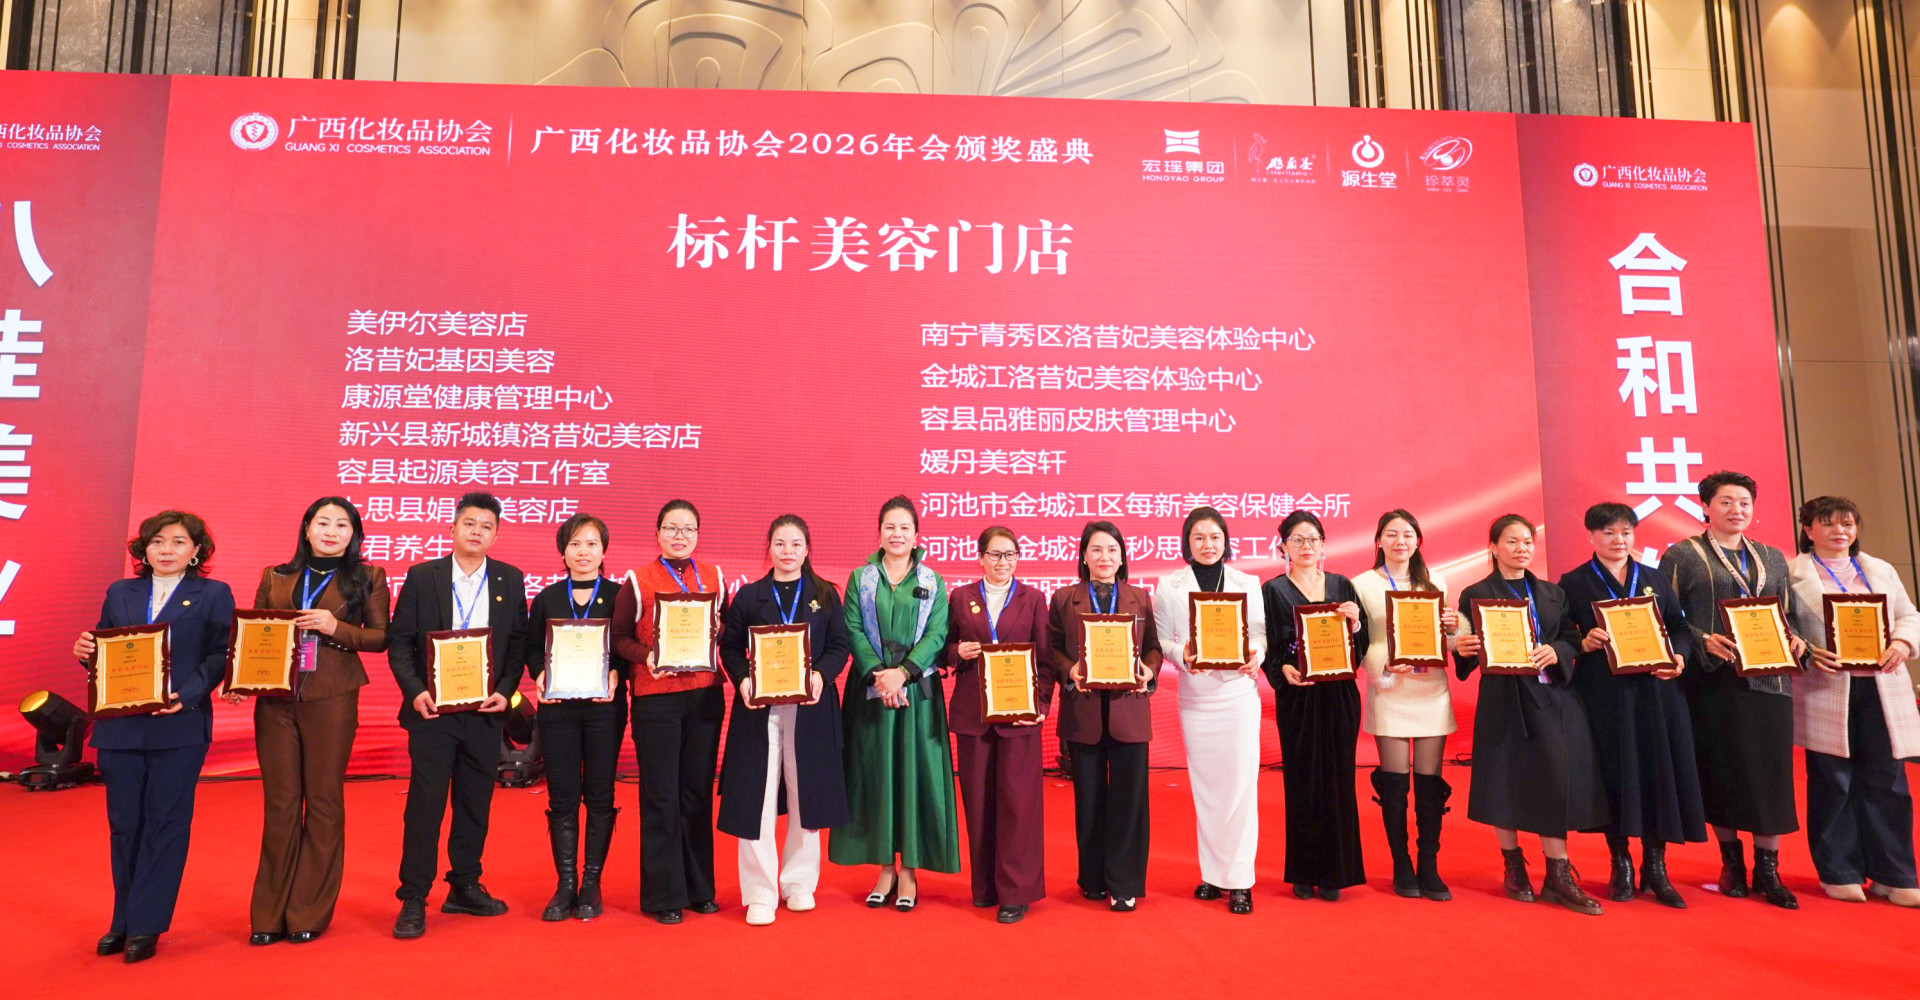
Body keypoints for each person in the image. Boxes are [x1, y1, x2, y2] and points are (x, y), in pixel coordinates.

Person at [71, 511, 235, 963]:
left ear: (196, 551)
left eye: (179, 541)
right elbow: (109, 651)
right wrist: (86, 652)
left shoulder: (213, 593)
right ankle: (121, 920)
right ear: (143, 549)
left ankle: (147, 923)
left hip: (179, 725)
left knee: (166, 823)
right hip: (120, 727)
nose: (166, 549)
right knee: (125, 826)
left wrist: (191, 694)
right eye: (157, 541)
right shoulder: (120, 591)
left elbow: (220, 652)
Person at [230, 498, 389, 945]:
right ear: (306, 528)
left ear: (353, 534)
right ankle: (268, 913)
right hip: (275, 699)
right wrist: (240, 679)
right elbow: (255, 632)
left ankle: (308, 911)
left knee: (322, 799)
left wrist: (334, 628)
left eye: (342, 525)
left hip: (332, 694)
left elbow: (381, 637)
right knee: (280, 803)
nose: (331, 531)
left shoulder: (368, 577)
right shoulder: (275, 576)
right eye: (323, 523)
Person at [1660, 470, 1807, 909]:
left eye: (1744, 502)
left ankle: (1769, 869)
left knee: (1771, 774)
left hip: (1770, 679)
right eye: (1725, 502)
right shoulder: (1683, 555)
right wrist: (1703, 639)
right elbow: (1665, 618)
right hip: (1713, 681)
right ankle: (1732, 864)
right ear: (1706, 507)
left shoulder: (1773, 557)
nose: (1736, 510)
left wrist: (1797, 639)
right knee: (1721, 770)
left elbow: (1787, 615)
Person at [1452, 514, 1609, 915]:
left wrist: (1558, 650)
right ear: (1493, 547)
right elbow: (1465, 645)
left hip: (1552, 696)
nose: (1521, 549)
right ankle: (1514, 865)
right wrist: (1462, 648)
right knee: (1502, 780)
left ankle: (1558, 874)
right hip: (1504, 698)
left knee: (1554, 780)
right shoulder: (1475, 593)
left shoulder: (1552, 593)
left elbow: (1571, 638)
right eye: (1512, 541)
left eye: (1527, 542)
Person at [387, 492, 528, 938]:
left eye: (486, 526)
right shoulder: (422, 576)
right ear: (452, 529)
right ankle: (414, 896)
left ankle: (464, 885)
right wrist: (415, 692)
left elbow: (517, 645)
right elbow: (400, 642)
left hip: (484, 712)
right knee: (425, 805)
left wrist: (506, 691)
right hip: (432, 712)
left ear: (495, 535)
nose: (476, 532)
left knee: (474, 802)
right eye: (469, 523)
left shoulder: (510, 579)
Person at [1557, 503, 1704, 908]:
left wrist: (1680, 657)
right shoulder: (1574, 582)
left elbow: (1679, 627)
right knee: (1614, 772)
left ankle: (1656, 866)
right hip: (1604, 696)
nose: (1618, 540)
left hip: (1657, 692)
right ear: (1590, 536)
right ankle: (1619, 861)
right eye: (1608, 532)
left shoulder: (1654, 578)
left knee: (1658, 771)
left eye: (1625, 532)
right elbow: (1561, 634)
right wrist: (1582, 642)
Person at [718, 515, 851, 926]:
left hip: (810, 710)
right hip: (759, 713)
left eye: (796, 544)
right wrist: (742, 680)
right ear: (769, 548)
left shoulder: (825, 594)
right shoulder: (749, 595)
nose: (788, 551)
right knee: (755, 800)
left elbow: (840, 645)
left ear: (807, 549)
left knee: (805, 796)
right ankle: (760, 892)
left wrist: (820, 675)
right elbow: (731, 648)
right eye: (780, 543)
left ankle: (799, 884)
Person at [1788, 495, 1920, 906]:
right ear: (1808, 529)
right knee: (1832, 781)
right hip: (1826, 688)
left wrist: (1903, 642)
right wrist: (1807, 648)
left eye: (1847, 523)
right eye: (1828, 523)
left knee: (1889, 782)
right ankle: (1839, 870)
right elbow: (1783, 626)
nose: (1839, 531)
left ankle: (1894, 874)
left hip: (1883, 687)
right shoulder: (1791, 573)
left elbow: (1910, 616)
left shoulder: (1879, 569)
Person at [832, 495, 959, 909]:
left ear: (917, 534)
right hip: (871, 694)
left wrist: (902, 674)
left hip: (917, 695)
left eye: (905, 527)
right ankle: (885, 867)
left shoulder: (933, 581)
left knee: (914, 776)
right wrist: (880, 675)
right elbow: (853, 630)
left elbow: (937, 635)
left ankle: (909, 871)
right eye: (890, 527)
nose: (897, 534)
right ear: (879, 533)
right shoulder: (861, 578)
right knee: (876, 776)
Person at [611, 499, 727, 923]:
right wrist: (647, 656)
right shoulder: (636, 580)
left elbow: (725, 631)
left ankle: (699, 889)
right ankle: (664, 895)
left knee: (696, 794)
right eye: (671, 528)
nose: (680, 536)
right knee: (661, 796)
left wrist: (718, 631)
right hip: (656, 698)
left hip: (704, 698)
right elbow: (618, 637)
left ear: (698, 534)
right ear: (657, 533)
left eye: (688, 529)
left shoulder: (715, 577)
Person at [1152, 507, 1265, 914]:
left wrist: (1256, 655)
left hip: (1237, 695)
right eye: (1198, 537)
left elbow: (1260, 635)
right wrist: (1181, 655)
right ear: (1187, 542)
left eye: (1215, 536)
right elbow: (1161, 639)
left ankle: (1240, 880)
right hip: (1196, 697)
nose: (1207, 544)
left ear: (1225, 540)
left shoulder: (1247, 582)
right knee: (1207, 789)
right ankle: (1213, 875)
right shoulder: (1169, 585)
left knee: (1240, 787)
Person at [1048, 520, 1162, 912]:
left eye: (1112, 550)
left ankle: (1124, 883)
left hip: (1129, 711)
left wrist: (1149, 670)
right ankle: (1093, 878)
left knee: (1130, 802)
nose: (1104, 557)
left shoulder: (1140, 598)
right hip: (1084, 714)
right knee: (1089, 801)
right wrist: (1070, 670)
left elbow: (1153, 647)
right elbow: (1051, 648)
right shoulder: (1064, 599)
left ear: (1122, 556)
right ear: (1083, 556)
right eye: (1096, 549)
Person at [945, 525, 1053, 923]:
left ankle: (1016, 891)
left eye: (1009, 555)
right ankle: (985, 887)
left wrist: (1041, 704)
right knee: (978, 803)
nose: (1002, 562)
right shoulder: (961, 597)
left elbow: (1045, 659)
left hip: (1018, 714)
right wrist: (957, 652)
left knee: (1018, 804)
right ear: (980, 558)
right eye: (994, 554)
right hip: (974, 715)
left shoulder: (1033, 599)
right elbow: (943, 647)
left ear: (1017, 559)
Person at [1349, 508, 1458, 901]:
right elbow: (1359, 642)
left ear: (1418, 540)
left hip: (1430, 689)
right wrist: (1384, 666)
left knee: (1430, 784)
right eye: (1392, 534)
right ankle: (1401, 864)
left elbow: (1445, 641)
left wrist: (1452, 629)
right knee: (1394, 784)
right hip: (1390, 688)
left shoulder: (1436, 580)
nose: (1400, 541)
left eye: (1408, 534)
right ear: (1378, 540)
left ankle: (1429, 863)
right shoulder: (1361, 584)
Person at [523, 514, 626, 921]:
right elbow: (533, 648)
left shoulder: (620, 596)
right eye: (575, 544)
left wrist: (617, 672)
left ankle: (591, 883)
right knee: (562, 795)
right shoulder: (546, 598)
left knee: (600, 793)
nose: (583, 552)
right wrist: (539, 672)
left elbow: (627, 645)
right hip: (558, 711)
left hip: (604, 710)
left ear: (604, 550)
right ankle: (565, 883)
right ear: (563, 551)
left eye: (591, 544)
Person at [1261, 510, 1367, 902]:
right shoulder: (1273, 590)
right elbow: (1267, 645)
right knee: (1301, 779)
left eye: (1313, 539)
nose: (1306, 546)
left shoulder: (1342, 585)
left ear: (1323, 545)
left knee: (1339, 779)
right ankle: (1304, 872)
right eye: (1297, 539)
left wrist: (1356, 624)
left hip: (1339, 694)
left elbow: (1363, 641)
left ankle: (1336, 873)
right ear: (1283, 547)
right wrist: (1282, 669)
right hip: (1298, 695)